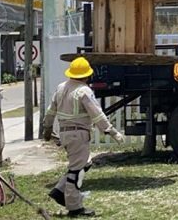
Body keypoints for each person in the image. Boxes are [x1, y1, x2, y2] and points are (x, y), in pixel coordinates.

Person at [43, 57, 124, 217]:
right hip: (78, 134)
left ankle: (60, 190)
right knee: (76, 170)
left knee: (85, 163)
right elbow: (97, 115)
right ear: (86, 75)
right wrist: (112, 132)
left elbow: (51, 110)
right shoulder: (84, 91)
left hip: (66, 133)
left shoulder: (61, 88)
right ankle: (74, 207)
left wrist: (47, 127)